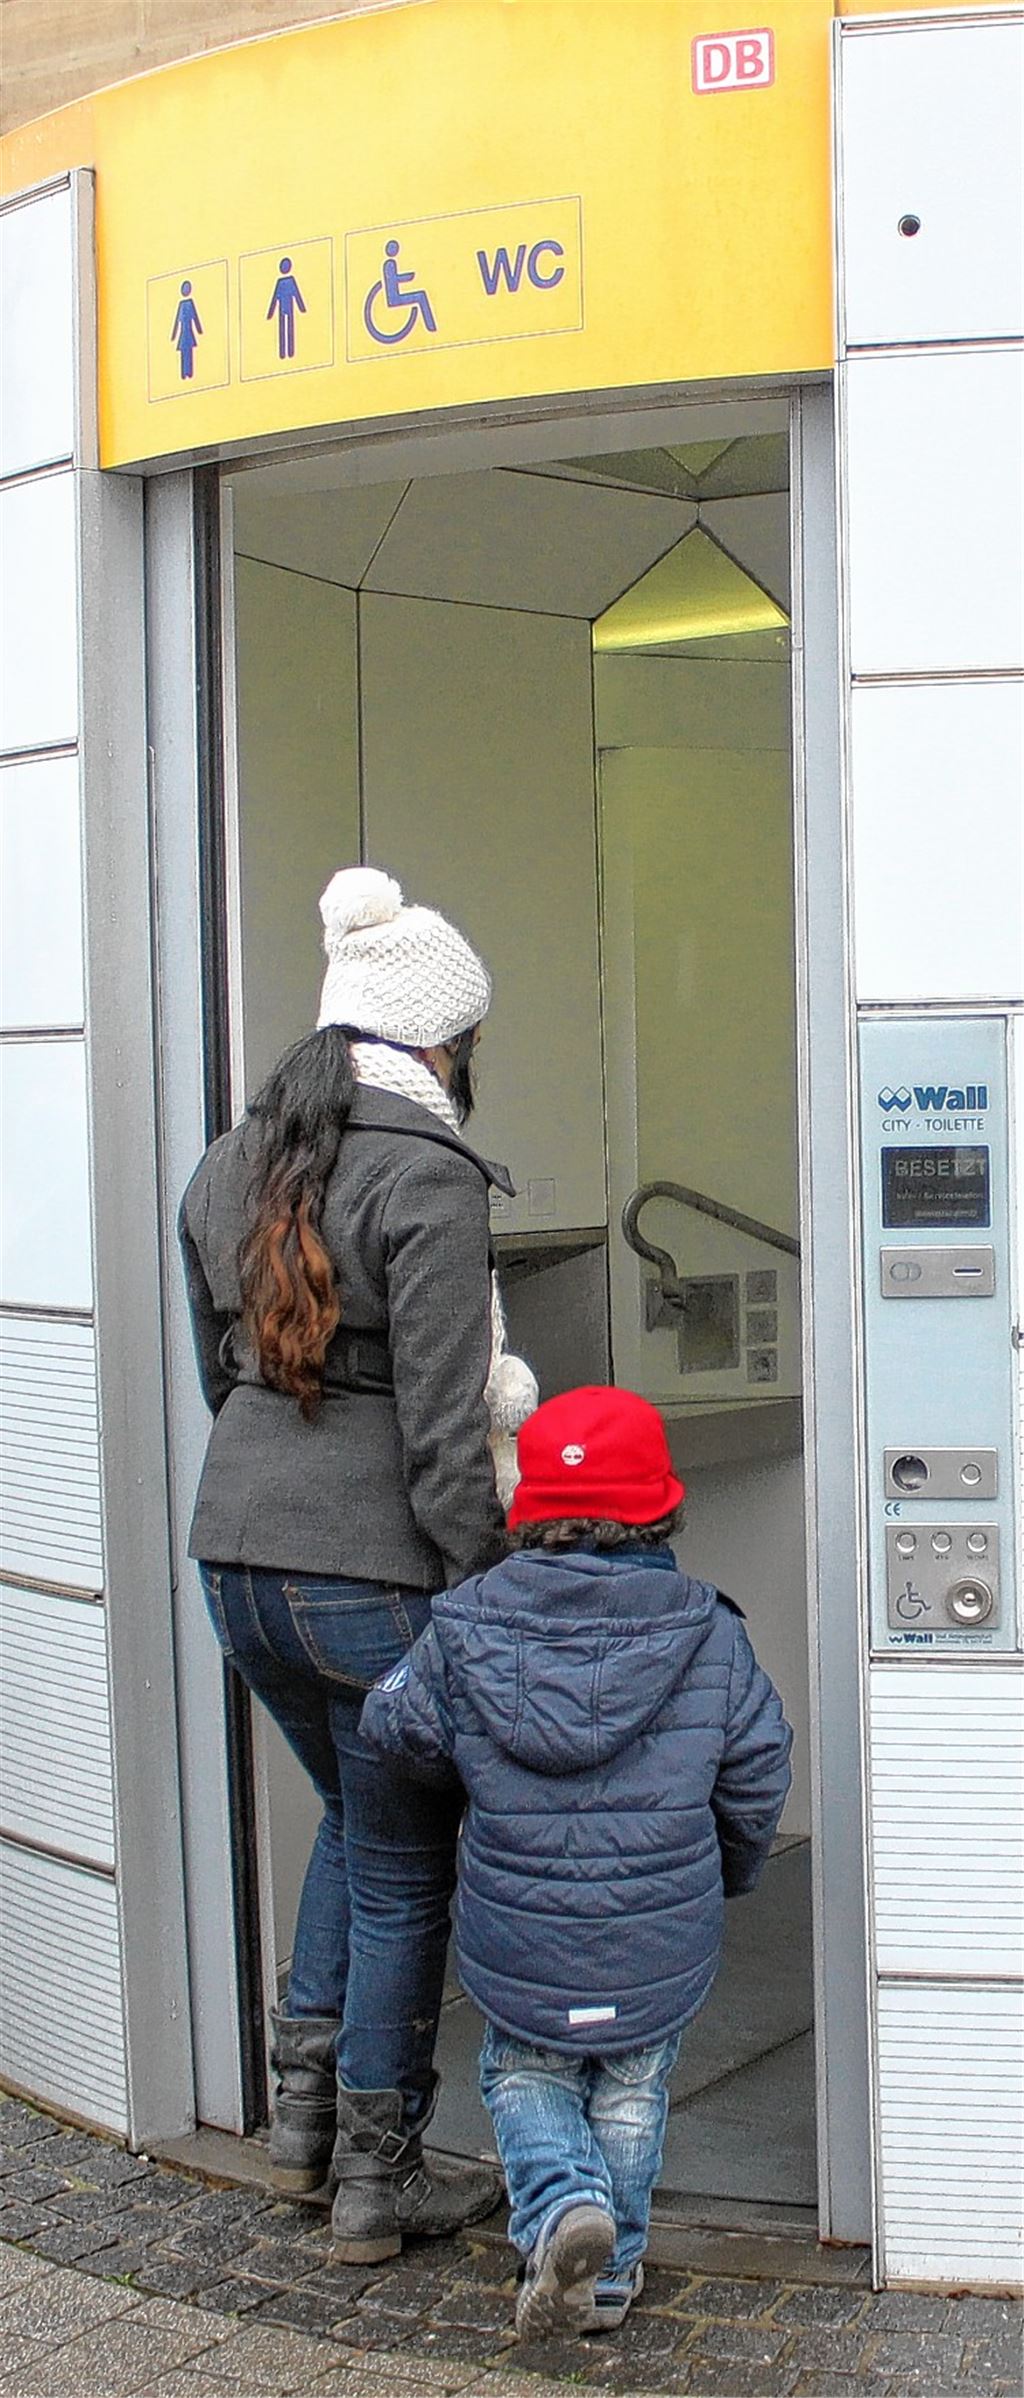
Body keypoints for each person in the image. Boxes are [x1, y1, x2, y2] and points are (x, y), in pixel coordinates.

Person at [179, 865, 537, 2261]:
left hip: (237, 1552)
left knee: (356, 1809)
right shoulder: (428, 1174)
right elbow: (449, 1437)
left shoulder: (236, 1157)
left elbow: (231, 1376)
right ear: (437, 1041)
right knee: (406, 1856)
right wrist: (488, 1593)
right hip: (369, 1570)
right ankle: (381, 2183)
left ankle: (300, 2130)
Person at [361, 1383, 793, 2338]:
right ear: (662, 1508)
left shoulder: (466, 1625)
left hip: (522, 1931)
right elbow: (760, 1767)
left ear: (527, 1511)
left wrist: (467, 1752)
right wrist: (730, 1868)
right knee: (633, 2089)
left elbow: (394, 1724)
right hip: (658, 1929)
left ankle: (561, 2213)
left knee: (525, 2074)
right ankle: (609, 2274)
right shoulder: (709, 1632)